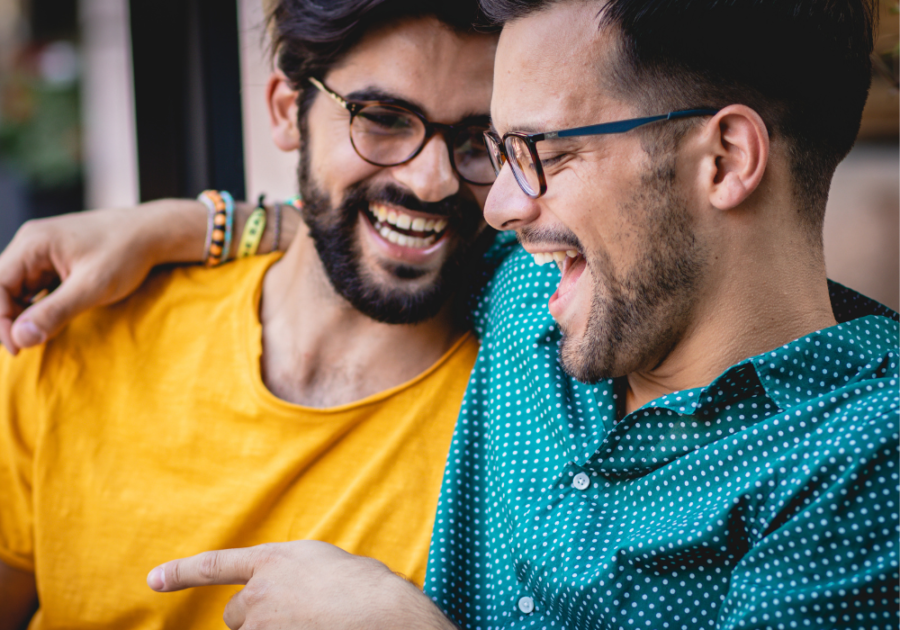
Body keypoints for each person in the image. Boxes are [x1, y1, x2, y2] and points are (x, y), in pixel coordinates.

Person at [1, 0, 897, 629]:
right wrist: (194, 223)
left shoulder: (860, 463)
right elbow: (378, 224)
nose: (495, 203)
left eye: (534, 150)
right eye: (497, 152)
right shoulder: (531, 299)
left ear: (726, 157)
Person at [0, 0, 501, 627]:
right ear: (288, 111)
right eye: (383, 119)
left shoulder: (532, 418)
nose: (433, 182)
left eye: (478, 139)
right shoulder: (83, 331)